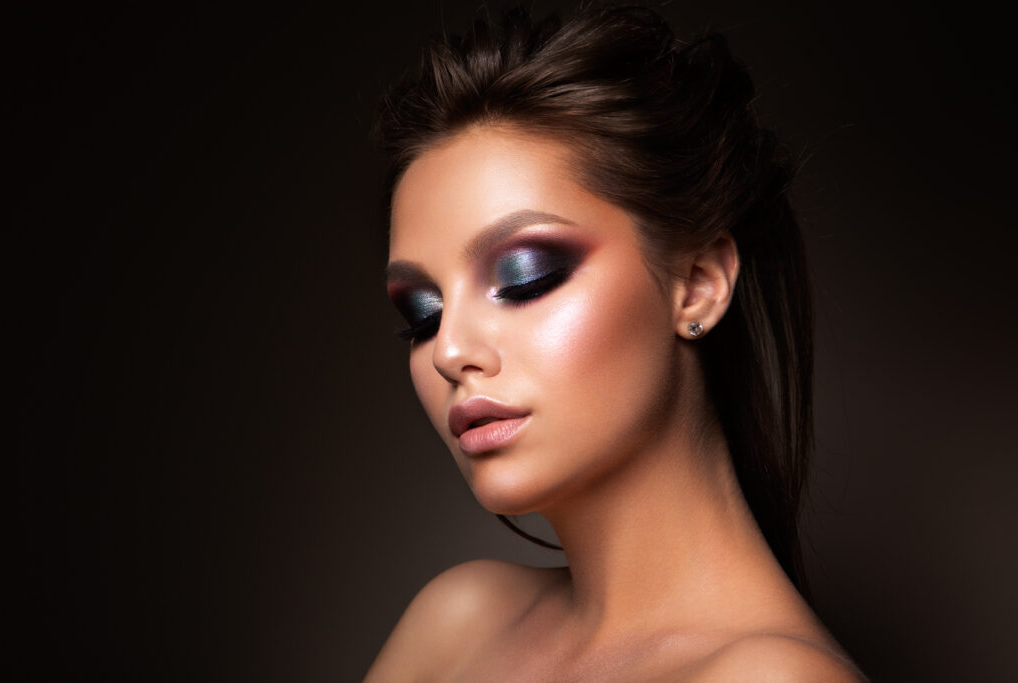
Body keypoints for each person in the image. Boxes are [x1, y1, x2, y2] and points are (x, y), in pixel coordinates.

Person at [367, 5, 866, 680]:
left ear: (697, 283)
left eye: (525, 276)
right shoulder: (458, 620)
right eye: (423, 313)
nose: (449, 350)